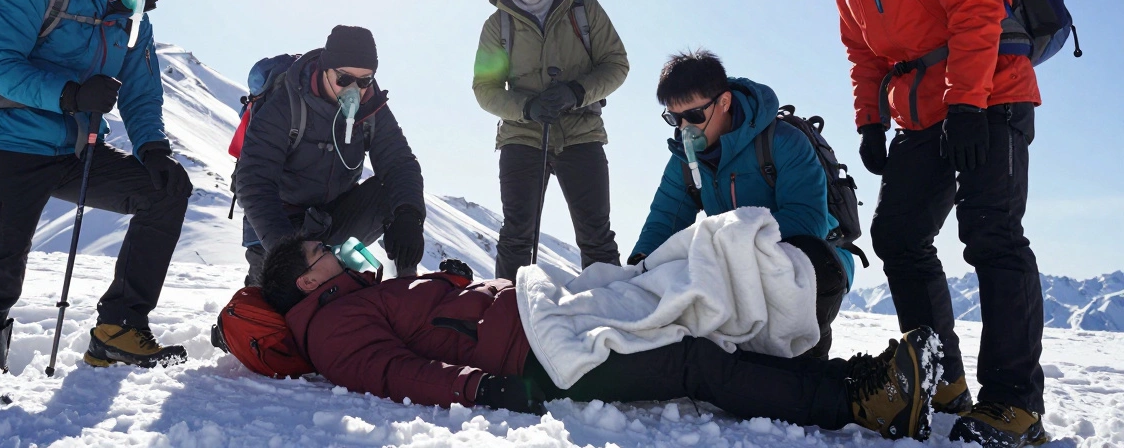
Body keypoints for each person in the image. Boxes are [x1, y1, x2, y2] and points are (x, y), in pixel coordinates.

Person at [785, 0, 1045, 448]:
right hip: (923, 113)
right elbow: (862, 50)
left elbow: (977, 12)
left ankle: (1016, 405)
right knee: (897, 236)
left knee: (992, 237)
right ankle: (941, 376)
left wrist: (969, 105)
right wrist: (870, 119)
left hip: (992, 95)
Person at [259, 233, 944, 442]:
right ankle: (861, 403)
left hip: (540, 316)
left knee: (687, 313)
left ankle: (859, 377)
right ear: (306, 281)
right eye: (324, 250)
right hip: (539, 354)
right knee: (691, 363)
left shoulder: (351, 299)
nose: (338, 252)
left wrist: (451, 286)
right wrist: (479, 387)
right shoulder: (330, 328)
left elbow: (423, 323)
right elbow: (392, 372)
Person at [0, 0, 192, 371]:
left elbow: (141, 93)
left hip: (75, 149)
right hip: (5, 145)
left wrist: (153, 149)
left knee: (167, 191)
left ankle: (118, 331)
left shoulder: (132, 15)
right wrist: (71, 95)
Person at [629, 50, 855, 358]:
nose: (684, 128)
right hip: (735, 266)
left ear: (724, 102)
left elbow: (806, 223)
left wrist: (728, 240)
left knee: (811, 262)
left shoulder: (783, 142)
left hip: (813, 263)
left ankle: (809, 362)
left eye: (693, 115)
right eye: (674, 118)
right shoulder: (684, 160)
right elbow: (664, 220)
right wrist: (639, 268)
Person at [472, 0, 629, 281]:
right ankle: (508, 320)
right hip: (522, 137)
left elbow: (616, 64)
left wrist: (577, 91)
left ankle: (612, 319)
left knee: (596, 237)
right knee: (516, 236)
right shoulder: (497, 26)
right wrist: (527, 108)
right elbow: (485, 89)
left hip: (582, 132)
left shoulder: (585, 10)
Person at [235, 25, 426, 285]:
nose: (354, 90)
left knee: (394, 194)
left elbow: (400, 164)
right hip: (279, 223)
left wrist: (409, 216)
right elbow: (254, 181)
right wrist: (287, 252)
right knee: (277, 305)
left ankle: (406, 294)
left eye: (364, 80)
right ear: (324, 69)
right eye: (344, 78)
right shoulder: (285, 103)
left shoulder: (371, 107)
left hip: (334, 217)